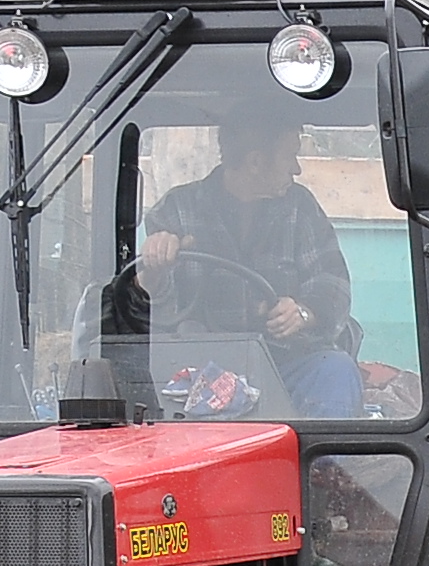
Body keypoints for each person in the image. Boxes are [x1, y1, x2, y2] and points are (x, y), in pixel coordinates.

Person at [135, 104, 362, 416]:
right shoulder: (177, 209)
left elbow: (333, 283)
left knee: (335, 368)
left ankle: (323, 466)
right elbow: (146, 308)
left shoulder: (300, 208)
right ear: (256, 162)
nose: (296, 169)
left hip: (282, 366)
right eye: (289, 156)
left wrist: (304, 312)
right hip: (194, 373)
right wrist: (154, 267)